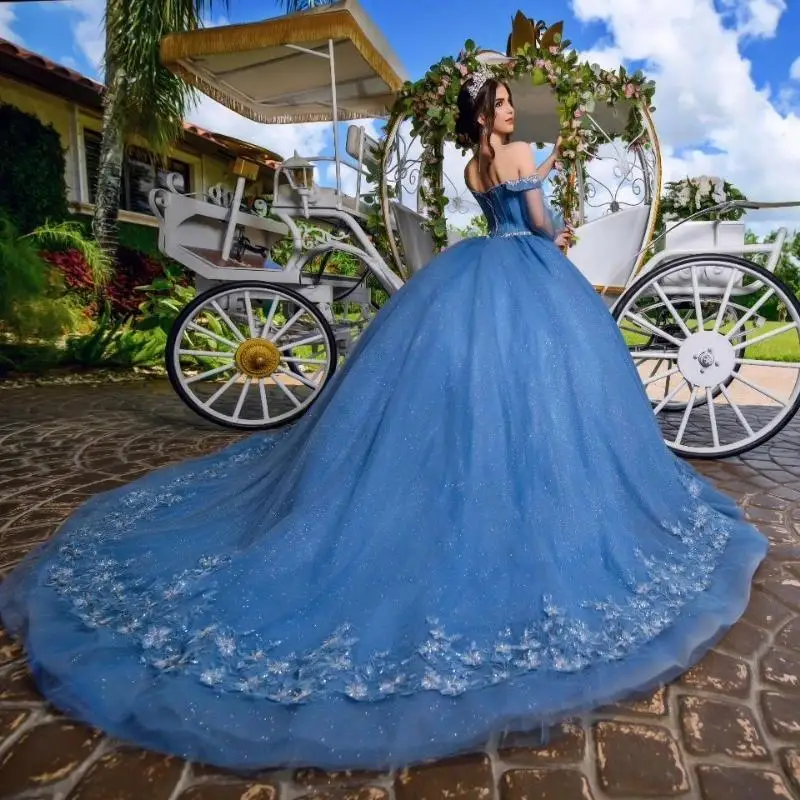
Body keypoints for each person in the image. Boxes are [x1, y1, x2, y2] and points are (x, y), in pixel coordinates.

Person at [0, 73, 767, 773]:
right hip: (528, 275)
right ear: (488, 114)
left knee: (467, 394)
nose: (508, 111)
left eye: (509, 105)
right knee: (542, 393)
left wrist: (541, 178)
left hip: (475, 273)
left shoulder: (472, 163)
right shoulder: (521, 150)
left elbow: (504, 205)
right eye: (501, 104)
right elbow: (536, 222)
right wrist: (556, 215)